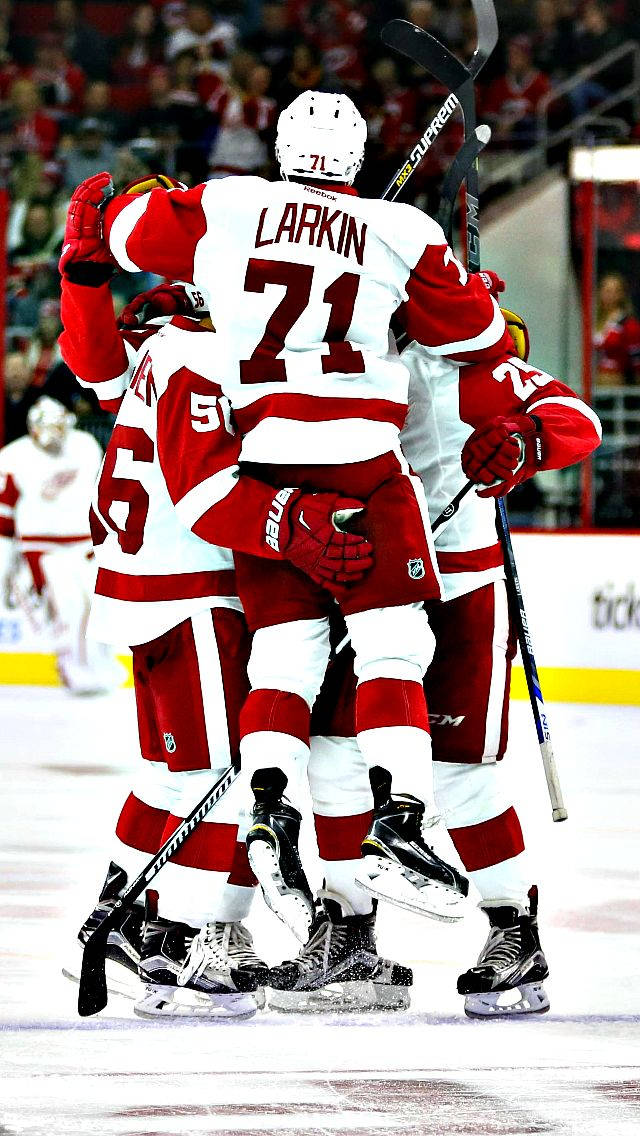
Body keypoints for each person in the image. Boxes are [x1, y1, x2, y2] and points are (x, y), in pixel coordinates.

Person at [79, 89, 517, 943]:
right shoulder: (401, 229)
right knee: (394, 645)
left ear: (279, 148)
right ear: (357, 156)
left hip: (268, 466)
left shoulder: (229, 205)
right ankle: (399, 820)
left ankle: (269, 810)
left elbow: (123, 230)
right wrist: (436, 286)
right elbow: (478, 340)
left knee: (282, 657)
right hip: (364, 462)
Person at [57, 178, 394, 1015]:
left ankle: (123, 916)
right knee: (230, 771)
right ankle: (183, 938)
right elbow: (211, 488)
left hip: (141, 586)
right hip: (194, 586)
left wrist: (84, 279)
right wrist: (297, 522)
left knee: (168, 773)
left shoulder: (161, 343)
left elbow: (94, 363)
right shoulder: (205, 358)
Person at [270, 297, 602, 1015]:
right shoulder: (345, 357)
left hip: (460, 586)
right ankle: (349, 933)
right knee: (334, 757)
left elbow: (578, 419)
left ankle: (515, 929)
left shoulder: (475, 365)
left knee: (457, 771)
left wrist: (525, 439)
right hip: (366, 581)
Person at [0, 395, 122, 694]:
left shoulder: (85, 446)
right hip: (42, 548)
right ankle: (72, 667)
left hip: (86, 544)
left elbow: (103, 493)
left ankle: (101, 665)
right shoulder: (13, 457)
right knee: (69, 606)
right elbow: (4, 521)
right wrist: (6, 567)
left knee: (99, 607)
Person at [594, 273, 640, 387]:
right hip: (591, 383)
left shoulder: (628, 324)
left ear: (622, 295)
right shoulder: (592, 320)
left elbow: (637, 361)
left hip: (615, 385)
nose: (609, 295)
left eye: (615, 291)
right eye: (606, 290)